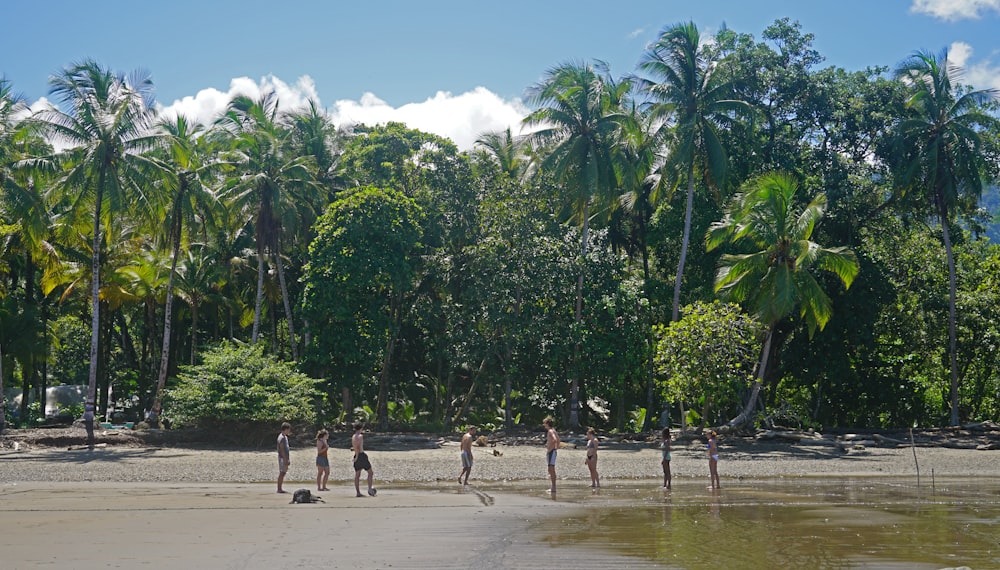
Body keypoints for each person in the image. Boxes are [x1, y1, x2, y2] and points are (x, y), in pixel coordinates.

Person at [352, 421, 375, 497]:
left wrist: (356, 457)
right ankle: (370, 489)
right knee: (370, 472)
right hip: (361, 455)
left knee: (357, 475)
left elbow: (355, 447)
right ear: (361, 428)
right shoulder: (360, 436)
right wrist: (358, 457)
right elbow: (358, 447)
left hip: (356, 455)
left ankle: (358, 492)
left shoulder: (353, 436)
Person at [543, 416, 560, 494]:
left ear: (547, 424)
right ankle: (553, 487)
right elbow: (558, 440)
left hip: (551, 452)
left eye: (544, 423)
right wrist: (556, 447)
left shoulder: (550, 431)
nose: (544, 425)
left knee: (551, 469)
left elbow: (555, 440)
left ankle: (553, 488)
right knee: (550, 469)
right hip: (553, 451)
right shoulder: (553, 430)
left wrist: (551, 449)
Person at [276, 422, 291, 494]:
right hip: (282, 458)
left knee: (283, 472)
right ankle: (279, 488)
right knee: (282, 473)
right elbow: (282, 449)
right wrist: (285, 459)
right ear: (285, 429)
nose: (289, 431)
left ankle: (280, 488)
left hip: (284, 457)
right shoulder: (281, 438)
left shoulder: (285, 437)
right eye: (288, 429)